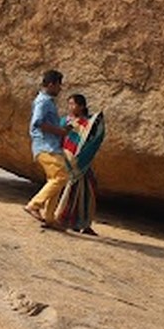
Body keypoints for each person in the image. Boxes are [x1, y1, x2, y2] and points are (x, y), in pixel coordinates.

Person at [23, 69, 71, 229]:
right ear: (51, 84)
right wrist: (60, 131)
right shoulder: (43, 101)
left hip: (49, 146)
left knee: (55, 180)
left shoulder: (47, 101)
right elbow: (38, 122)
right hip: (46, 146)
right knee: (62, 176)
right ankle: (34, 205)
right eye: (59, 85)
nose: (60, 89)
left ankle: (50, 218)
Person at [54, 94, 105, 235]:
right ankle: (63, 219)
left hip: (81, 162)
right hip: (67, 160)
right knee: (70, 190)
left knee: (88, 188)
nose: (70, 107)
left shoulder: (88, 124)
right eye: (69, 104)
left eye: (73, 104)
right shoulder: (65, 121)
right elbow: (59, 138)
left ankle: (84, 223)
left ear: (82, 106)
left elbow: (92, 140)